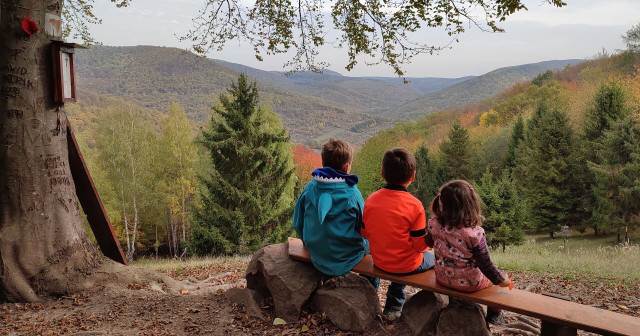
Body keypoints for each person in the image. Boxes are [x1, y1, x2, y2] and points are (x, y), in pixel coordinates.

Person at [361, 147, 435, 320]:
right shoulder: (415, 205)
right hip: (405, 265)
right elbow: (418, 245)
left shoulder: (371, 199)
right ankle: (394, 305)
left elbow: (364, 232)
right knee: (433, 259)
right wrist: (430, 241)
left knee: (401, 253)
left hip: (379, 261)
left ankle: (386, 304)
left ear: (382, 173)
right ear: (412, 176)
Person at [426, 179, 512, 325]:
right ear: (470, 203)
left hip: (442, 278)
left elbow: (428, 243)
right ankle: (495, 314)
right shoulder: (474, 233)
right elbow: (486, 265)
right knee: (499, 281)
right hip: (470, 284)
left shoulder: (434, 224)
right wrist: (503, 281)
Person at [292, 138, 367, 276]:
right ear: (346, 167)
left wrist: (308, 241)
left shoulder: (309, 189)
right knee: (368, 249)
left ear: (323, 163)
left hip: (316, 251)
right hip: (347, 256)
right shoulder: (353, 195)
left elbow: (297, 223)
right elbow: (364, 228)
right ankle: (371, 290)